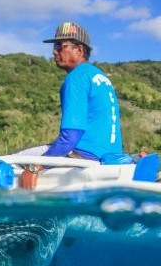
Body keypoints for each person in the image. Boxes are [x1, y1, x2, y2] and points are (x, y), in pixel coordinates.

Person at [20, 21, 124, 189]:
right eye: (55, 46)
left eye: (61, 46)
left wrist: (35, 168)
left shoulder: (76, 78)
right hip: (109, 156)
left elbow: (70, 137)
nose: (54, 51)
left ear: (80, 50)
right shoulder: (100, 77)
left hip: (83, 155)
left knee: (11, 162)